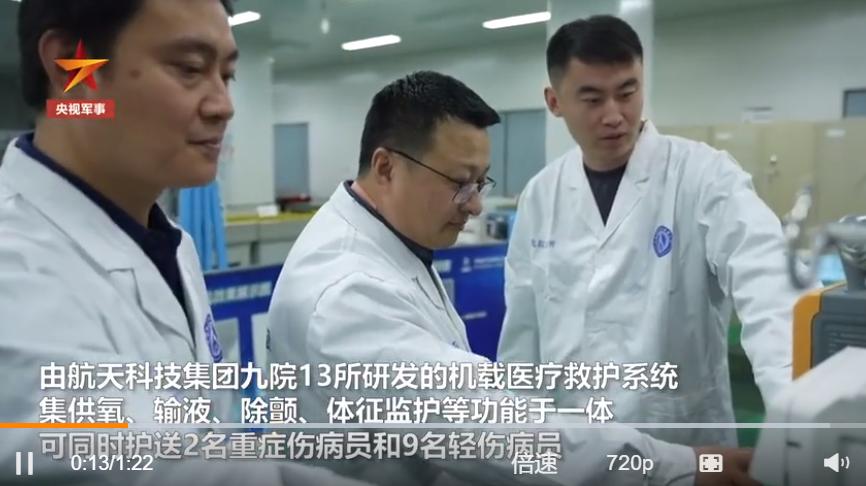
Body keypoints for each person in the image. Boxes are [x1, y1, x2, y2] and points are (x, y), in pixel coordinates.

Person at [268, 70, 758, 486]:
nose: (476, 205)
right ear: (386, 167)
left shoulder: (387, 240)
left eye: (480, 182)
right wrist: (677, 467)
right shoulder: (348, 293)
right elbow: (487, 425)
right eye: (460, 183)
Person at [0, 1, 367, 485]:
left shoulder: (173, 245)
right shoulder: (14, 273)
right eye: (190, 69)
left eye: (227, 75)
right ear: (72, 66)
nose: (224, 105)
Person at [497, 14, 801, 448]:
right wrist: (521, 435)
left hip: (682, 437)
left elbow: (770, 284)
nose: (614, 116)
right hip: (575, 444)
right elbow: (523, 331)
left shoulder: (704, 176)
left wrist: (797, 410)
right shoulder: (541, 195)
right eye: (592, 99)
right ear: (554, 101)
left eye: (627, 93)